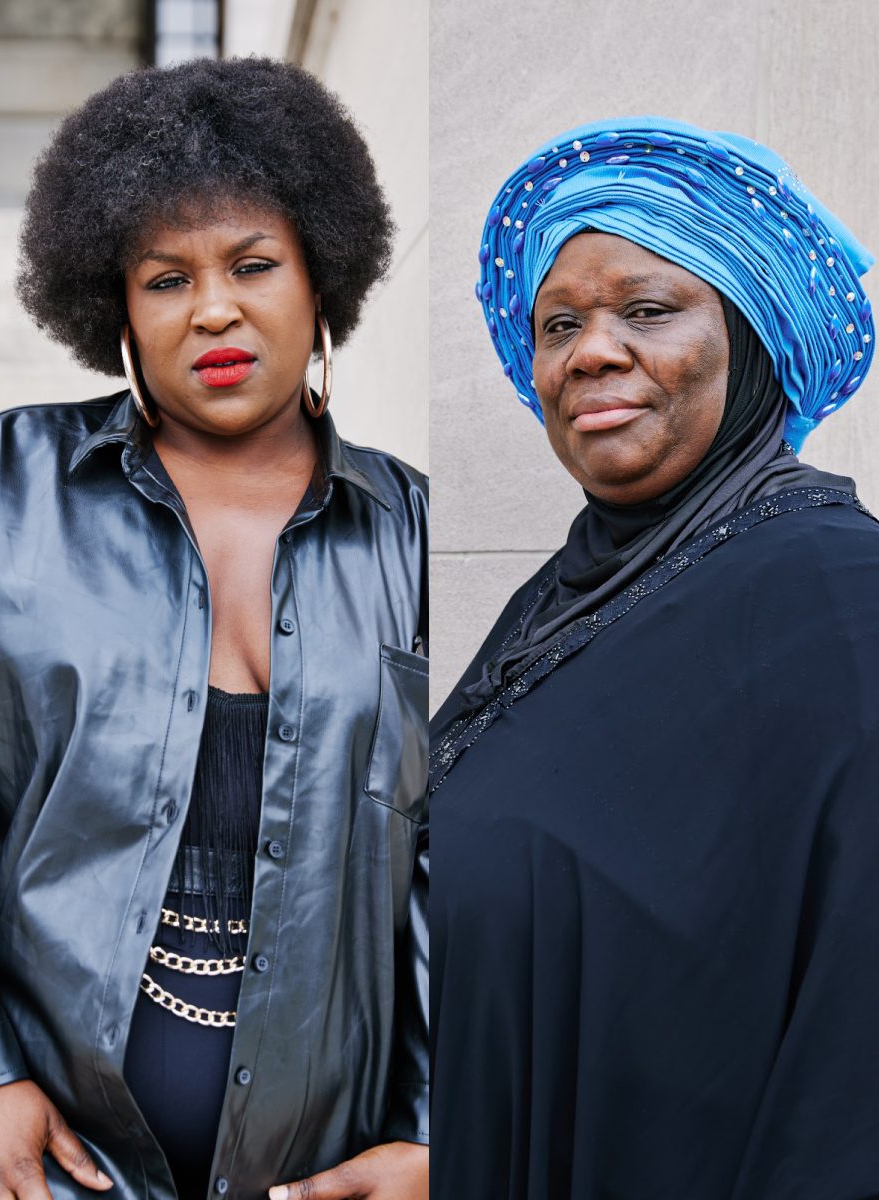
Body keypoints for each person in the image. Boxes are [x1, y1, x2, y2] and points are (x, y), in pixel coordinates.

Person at [0, 58, 429, 1200]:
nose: (214, 308)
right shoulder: (3, 487)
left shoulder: (420, 534)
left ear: (322, 277)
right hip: (50, 1176)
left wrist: (437, 1135)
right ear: (115, 307)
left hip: (328, 1176)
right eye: (165, 277)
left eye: (254, 264)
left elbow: (456, 869)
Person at [431, 116, 879, 1198]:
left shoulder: (836, 597)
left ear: (755, 335)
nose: (589, 351)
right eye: (558, 324)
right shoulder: (570, 592)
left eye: (647, 310)